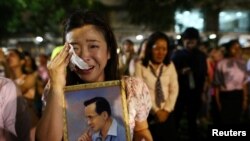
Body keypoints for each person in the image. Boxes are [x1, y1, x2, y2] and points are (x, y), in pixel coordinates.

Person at [36, 10, 152, 141]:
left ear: (109, 52)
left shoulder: (132, 89)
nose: (84, 56)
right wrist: (56, 86)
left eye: (93, 46)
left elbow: (141, 129)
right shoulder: (54, 90)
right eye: (74, 48)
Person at [135, 31, 179, 141]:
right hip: (148, 115)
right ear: (150, 49)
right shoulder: (140, 65)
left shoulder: (170, 65)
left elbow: (174, 89)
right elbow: (140, 91)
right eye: (157, 48)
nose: (161, 52)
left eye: (164, 49)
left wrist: (167, 110)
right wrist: (156, 111)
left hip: (167, 114)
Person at [171, 27, 207, 140]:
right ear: (183, 41)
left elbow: (204, 74)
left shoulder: (201, 56)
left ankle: (193, 134)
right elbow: (170, 73)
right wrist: (181, 71)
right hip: (180, 91)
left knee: (193, 117)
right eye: (187, 40)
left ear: (196, 41)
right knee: (177, 115)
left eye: (192, 40)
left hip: (195, 91)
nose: (190, 43)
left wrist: (203, 92)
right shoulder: (177, 55)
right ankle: (173, 135)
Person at [214, 39, 248, 125]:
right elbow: (217, 85)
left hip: (238, 95)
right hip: (226, 96)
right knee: (225, 120)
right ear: (228, 49)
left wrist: (245, 99)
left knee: (236, 119)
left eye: (238, 47)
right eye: (234, 47)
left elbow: (244, 83)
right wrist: (218, 102)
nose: (237, 50)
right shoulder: (221, 64)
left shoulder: (243, 63)